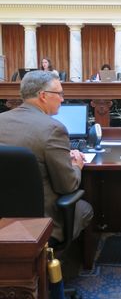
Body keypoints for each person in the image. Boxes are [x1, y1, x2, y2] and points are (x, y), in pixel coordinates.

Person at [0, 70, 93, 243]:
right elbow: (67, 186)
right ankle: (58, 262)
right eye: (59, 94)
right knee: (85, 208)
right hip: (41, 225)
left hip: (3, 222)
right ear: (43, 95)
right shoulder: (53, 129)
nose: (62, 99)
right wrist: (76, 165)